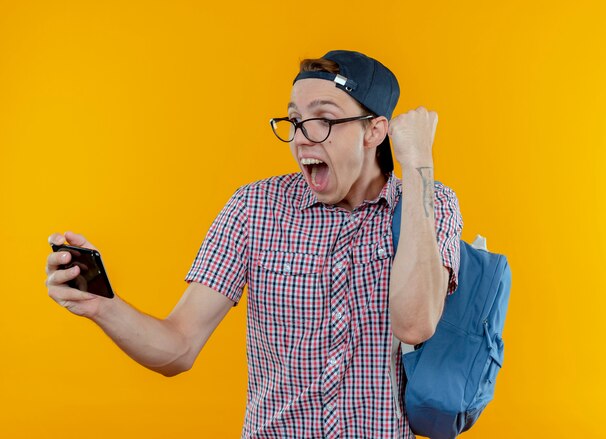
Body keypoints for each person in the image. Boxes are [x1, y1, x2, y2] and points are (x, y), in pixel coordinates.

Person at [46, 50, 463, 438]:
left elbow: (415, 323)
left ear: (375, 131)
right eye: (295, 120)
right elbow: (178, 348)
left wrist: (418, 165)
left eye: (323, 120)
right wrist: (102, 306)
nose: (301, 138)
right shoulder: (255, 209)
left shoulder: (430, 203)